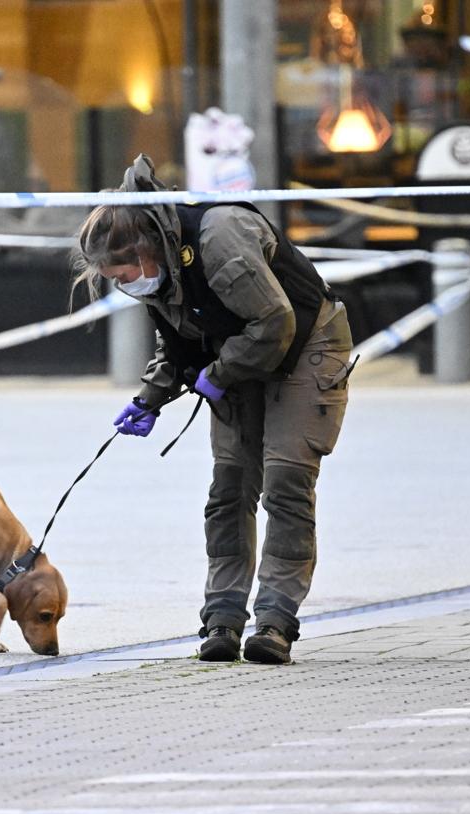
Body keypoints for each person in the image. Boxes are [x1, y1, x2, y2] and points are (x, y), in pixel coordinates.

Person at [72, 155, 352, 664]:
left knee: (285, 480)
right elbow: (178, 339)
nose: (124, 284)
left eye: (124, 272)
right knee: (228, 488)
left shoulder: (219, 237)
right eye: (114, 279)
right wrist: (150, 398)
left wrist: (218, 376)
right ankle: (222, 618)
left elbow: (274, 324)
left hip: (305, 343)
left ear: (145, 247)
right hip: (238, 348)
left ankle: (274, 622)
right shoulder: (157, 270)